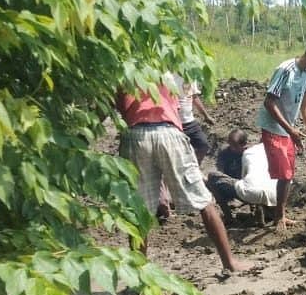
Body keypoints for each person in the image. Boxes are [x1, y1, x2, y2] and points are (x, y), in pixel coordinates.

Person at [116, 82, 250, 271]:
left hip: (136, 135)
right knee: (203, 201)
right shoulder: (165, 72)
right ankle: (230, 263)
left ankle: (139, 275)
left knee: (138, 209)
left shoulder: (124, 72)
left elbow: (120, 107)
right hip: (169, 132)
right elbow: (177, 105)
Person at [258, 37, 306, 231]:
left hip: (288, 130)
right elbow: (269, 102)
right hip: (274, 127)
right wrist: (290, 130)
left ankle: (278, 214)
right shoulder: (286, 70)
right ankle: (277, 216)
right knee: (284, 173)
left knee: (288, 173)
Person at [157, 77, 213, 220]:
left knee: (202, 145)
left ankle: (192, 171)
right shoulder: (167, 76)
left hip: (189, 121)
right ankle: (167, 193)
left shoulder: (190, 76)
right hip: (173, 122)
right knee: (173, 156)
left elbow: (193, 97)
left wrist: (205, 115)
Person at [207, 129, 278, 221]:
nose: (232, 148)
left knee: (212, 177)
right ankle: (229, 216)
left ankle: (258, 209)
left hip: (250, 187)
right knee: (213, 179)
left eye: (235, 146)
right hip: (236, 184)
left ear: (244, 144)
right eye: (230, 145)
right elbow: (221, 171)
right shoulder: (225, 153)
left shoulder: (251, 154)